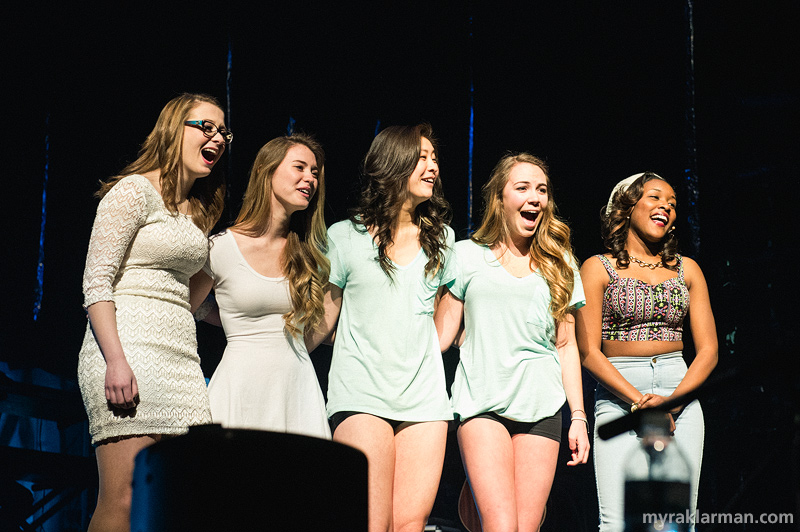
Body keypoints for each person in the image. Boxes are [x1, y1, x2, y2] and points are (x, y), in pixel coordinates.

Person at [77, 93, 229, 532]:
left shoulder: (198, 212)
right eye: (206, 127)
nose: (217, 138)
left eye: (223, 132)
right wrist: (116, 361)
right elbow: (96, 283)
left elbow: (188, 297)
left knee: (180, 501)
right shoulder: (132, 192)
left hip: (181, 363)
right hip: (128, 352)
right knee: (123, 499)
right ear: (173, 128)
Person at [306, 124, 455, 532]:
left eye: (434, 158)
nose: (432, 167)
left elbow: (446, 315)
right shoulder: (345, 236)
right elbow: (323, 319)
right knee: (370, 520)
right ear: (393, 163)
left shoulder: (443, 239)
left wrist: (423, 351)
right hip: (361, 393)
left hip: (424, 399)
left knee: (411, 523)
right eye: (421, 157)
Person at [434, 153, 590, 532]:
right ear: (499, 199)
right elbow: (439, 337)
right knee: (501, 524)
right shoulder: (466, 256)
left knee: (526, 526)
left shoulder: (561, 263)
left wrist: (579, 417)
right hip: (482, 402)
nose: (535, 197)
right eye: (522, 188)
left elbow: (566, 345)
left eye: (542, 190)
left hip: (542, 406)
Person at [575, 172, 718, 532]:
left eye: (672, 204)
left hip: (679, 392)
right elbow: (588, 352)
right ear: (627, 206)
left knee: (677, 521)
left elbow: (709, 351)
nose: (666, 208)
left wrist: (671, 404)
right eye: (655, 198)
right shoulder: (597, 267)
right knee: (617, 522)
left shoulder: (688, 270)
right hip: (620, 395)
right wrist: (640, 403)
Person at [189, 133, 331, 439]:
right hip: (240, 388)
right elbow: (181, 308)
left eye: (315, 173)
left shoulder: (309, 253)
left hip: (297, 389)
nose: (310, 178)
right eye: (300, 167)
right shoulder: (221, 248)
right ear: (266, 170)